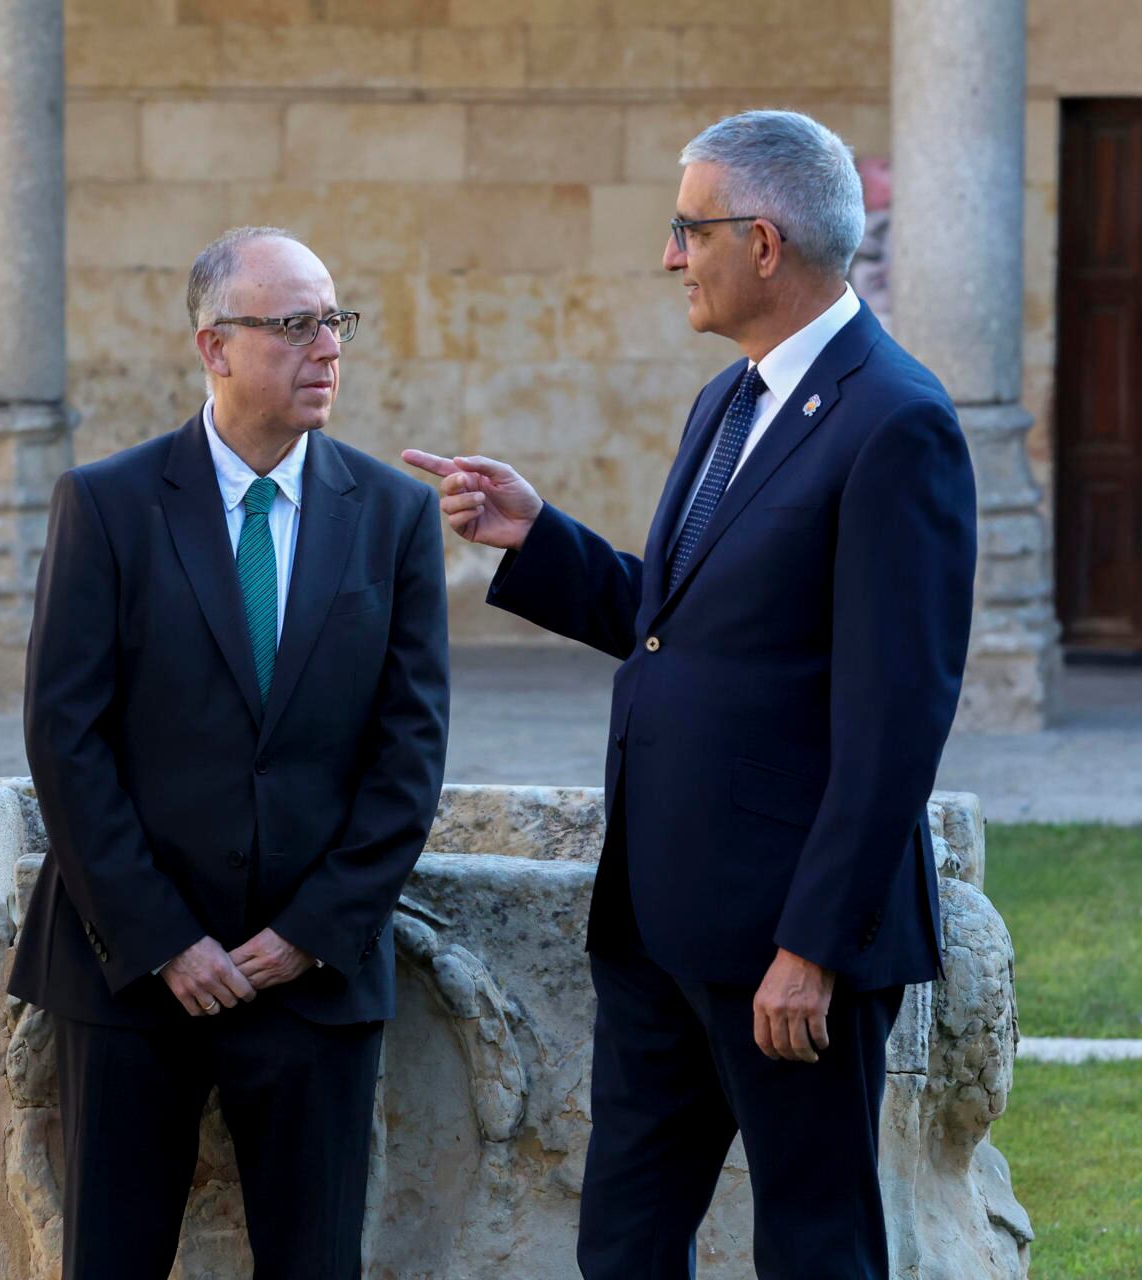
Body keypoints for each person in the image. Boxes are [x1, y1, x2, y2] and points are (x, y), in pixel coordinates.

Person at [405, 110, 977, 1279]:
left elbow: (896, 716)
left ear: (763, 244)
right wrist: (539, 539)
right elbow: (682, 630)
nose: (671, 255)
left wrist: (811, 945)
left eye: (687, 229)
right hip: (660, 923)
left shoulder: (897, 421)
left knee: (815, 1247)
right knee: (621, 1241)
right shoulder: (729, 400)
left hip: (784, 945)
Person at [10, 226, 449, 1279]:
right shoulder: (108, 504)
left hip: (312, 977)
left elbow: (411, 749)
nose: (328, 348)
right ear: (213, 346)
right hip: (129, 974)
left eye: (334, 321)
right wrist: (164, 937)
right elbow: (65, 737)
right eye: (294, 325)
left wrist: (307, 931)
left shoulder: (391, 514)